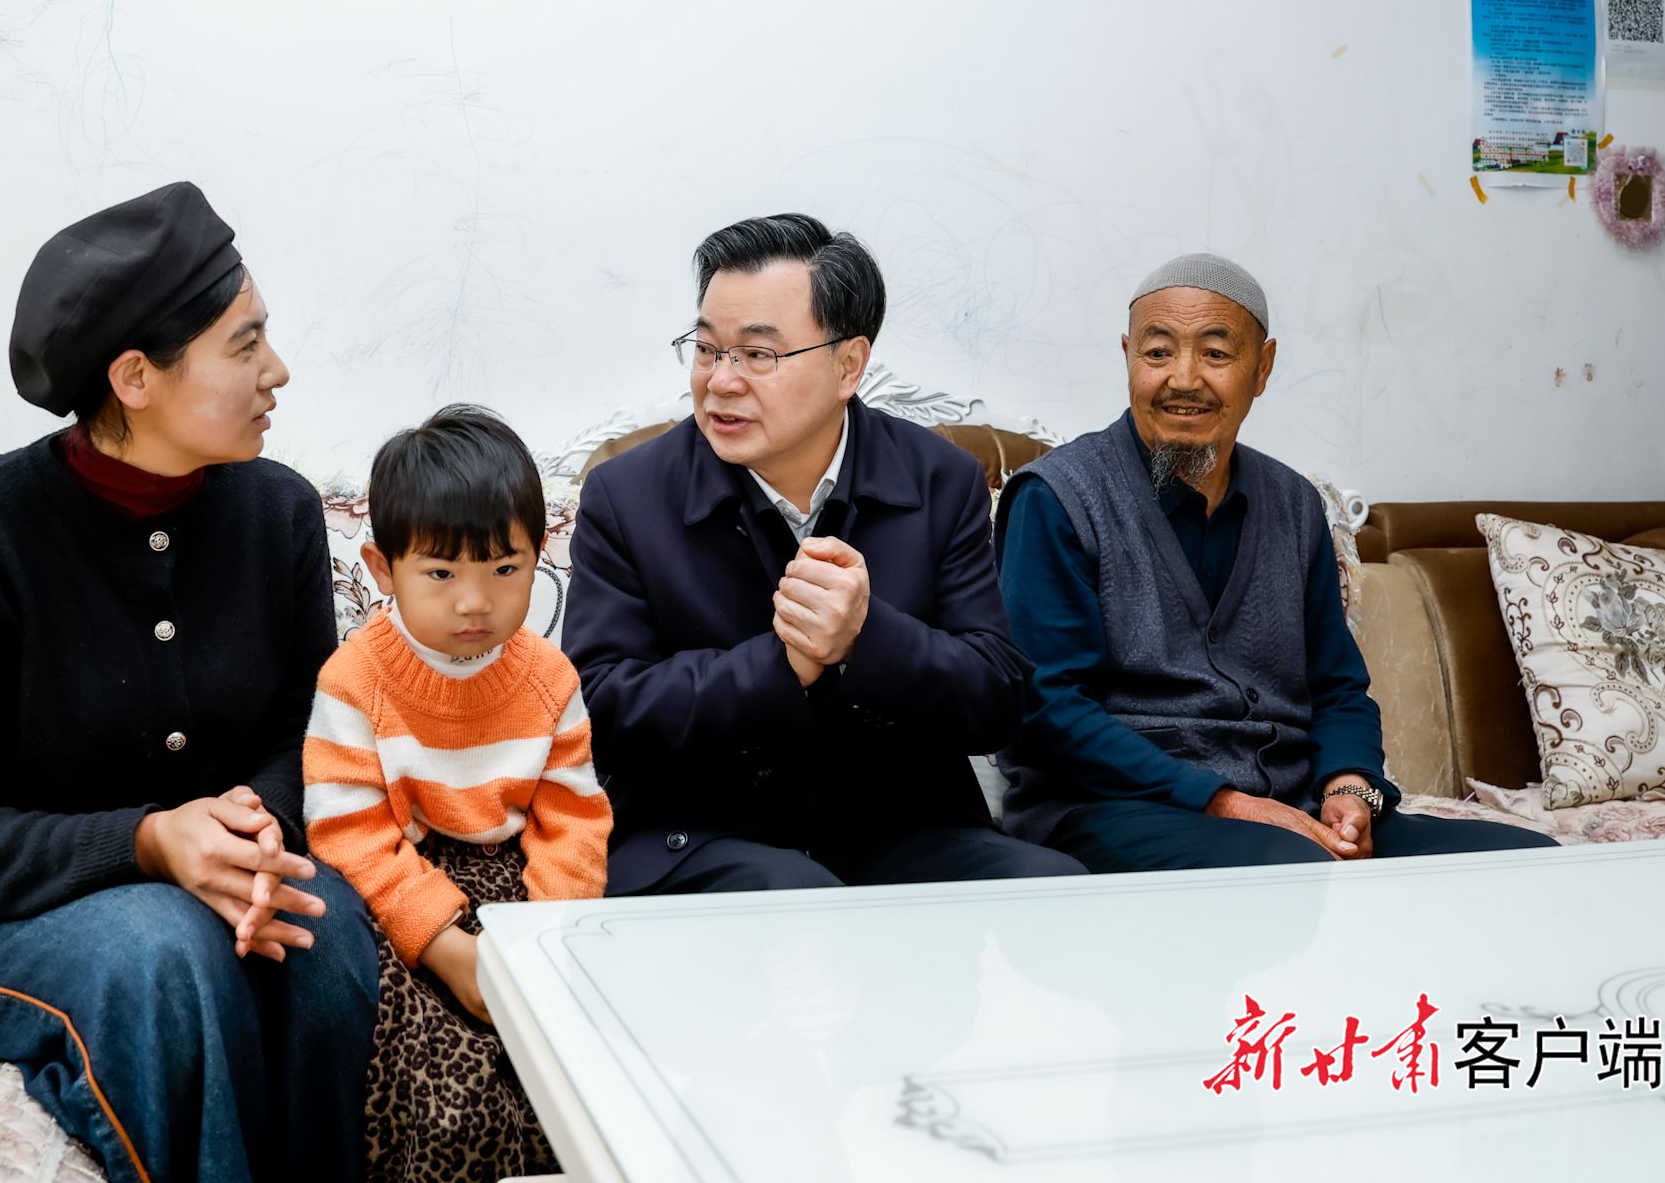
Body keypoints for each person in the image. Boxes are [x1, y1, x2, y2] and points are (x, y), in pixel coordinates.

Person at [0, 182, 381, 1183]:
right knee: (166, 954)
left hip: (206, 877)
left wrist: (253, 826)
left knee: (321, 932)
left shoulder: (278, 513)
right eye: (245, 344)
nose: (277, 369)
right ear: (135, 376)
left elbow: (304, 730)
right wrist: (146, 841)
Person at [565, 212, 1085, 895]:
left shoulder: (940, 480)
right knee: (794, 897)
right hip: (699, 835)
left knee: (1058, 890)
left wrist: (866, 640)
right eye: (707, 348)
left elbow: (995, 700)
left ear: (848, 365)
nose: (720, 381)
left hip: (902, 831)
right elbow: (600, 710)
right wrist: (781, 667)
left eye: (758, 355)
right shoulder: (627, 495)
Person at [995, 251, 1556, 871]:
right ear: (1128, 356)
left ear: (1262, 367)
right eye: (1157, 352)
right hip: (1109, 807)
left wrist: (1349, 787)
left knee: (1531, 863)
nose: (1183, 378)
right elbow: (1047, 707)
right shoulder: (1057, 498)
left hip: (1286, 809)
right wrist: (1226, 802)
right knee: (1292, 866)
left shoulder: (1293, 504)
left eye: (1215, 353)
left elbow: (1337, 688)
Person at [305, 404, 608, 1183]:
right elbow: (349, 832)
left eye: (504, 570)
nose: (475, 602)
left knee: (569, 1080)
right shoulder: (355, 679)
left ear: (539, 556)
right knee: (449, 1096)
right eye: (441, 574)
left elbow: (573, 818)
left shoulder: (550, 678)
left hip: (525, 892)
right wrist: (446, 944)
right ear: (382, 569)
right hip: (404, 893)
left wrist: (543, 937)